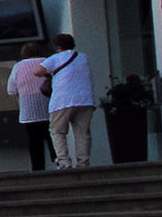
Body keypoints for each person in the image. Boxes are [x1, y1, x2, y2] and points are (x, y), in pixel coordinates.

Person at [39, 33, 97, 169]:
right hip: (84, 99)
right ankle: (83, 163)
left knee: (57, 131)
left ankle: (64, 162)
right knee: (82, 132)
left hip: (62, 100)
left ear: (57, 46)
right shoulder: (83, 57)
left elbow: (37, 71)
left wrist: (49, 72)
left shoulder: (55, 58)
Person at [7, 41, 52, 172]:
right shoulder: (47, 62)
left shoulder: (18, 66)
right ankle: (59, 161)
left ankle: (38, 169)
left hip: (29, 111)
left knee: (34, 141)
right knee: (53, 137)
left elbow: (11, 89)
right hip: (49, 106)